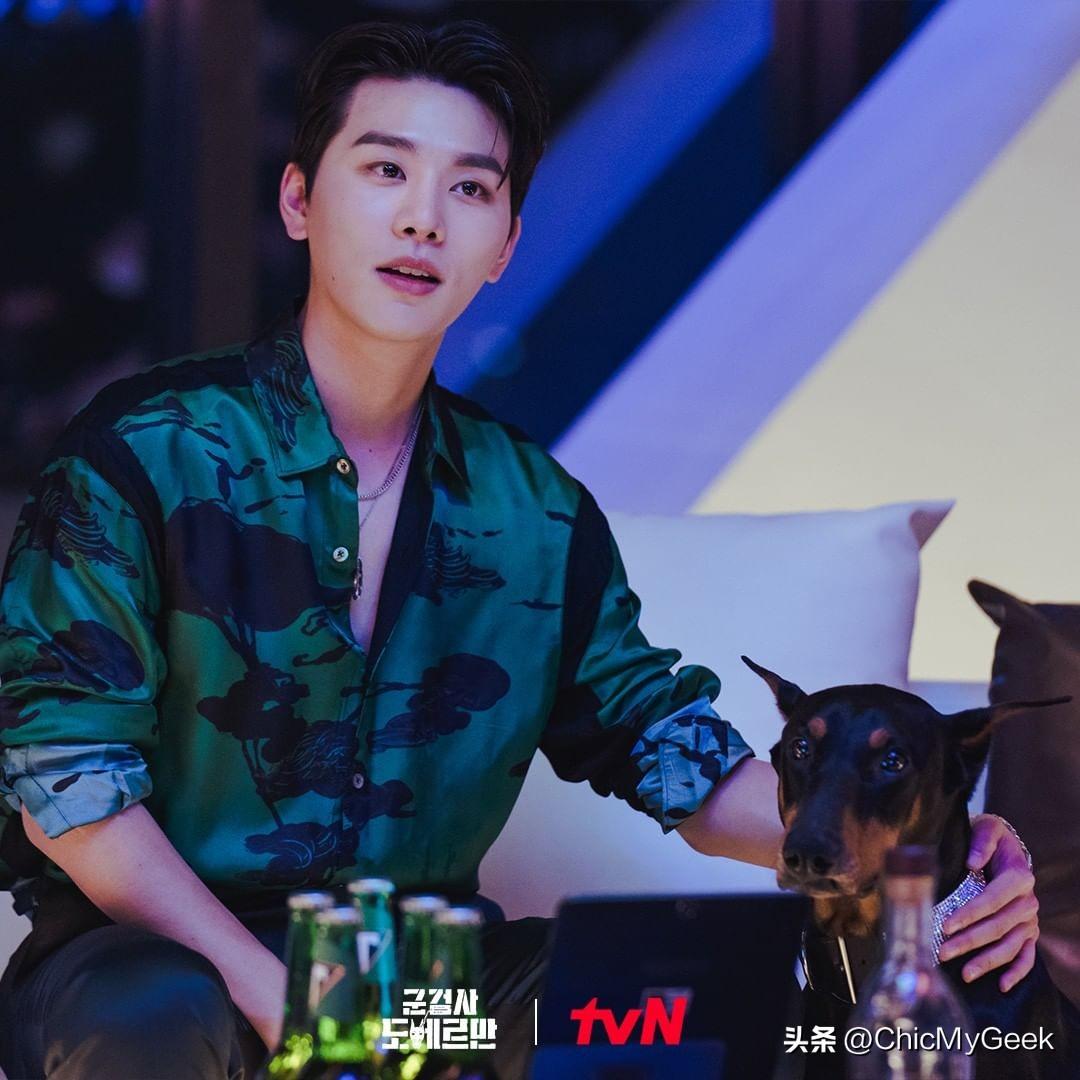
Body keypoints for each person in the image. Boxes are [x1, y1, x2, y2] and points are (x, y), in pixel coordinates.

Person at [0, 19, 1040, 1080]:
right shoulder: (143, 452)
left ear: (502, 246)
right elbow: (66, 784)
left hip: (421, 1003)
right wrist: (284, 1002)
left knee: (680, 997)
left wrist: (936, 848)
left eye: (469, 188)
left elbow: (668, 750)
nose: (423, 218)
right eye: (386, 170)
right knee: (155, 1019)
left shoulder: (535, 515)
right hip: (163, 974)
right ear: (300, 200)